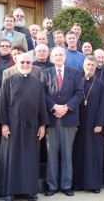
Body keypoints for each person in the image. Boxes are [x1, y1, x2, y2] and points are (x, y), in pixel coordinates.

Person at [0, 53, 49, 201]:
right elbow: (2, 104)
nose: (25, 65)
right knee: (11, 158)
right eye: (22, 62)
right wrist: (4, 124)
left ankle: (29, 191)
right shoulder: (8, 80)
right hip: (13, 125)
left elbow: (42, 106)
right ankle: (10, 191)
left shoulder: (38, 83)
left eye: (28, 62)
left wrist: (43, 125)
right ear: (16, 62)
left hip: (32, 125)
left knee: (30, 159)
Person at [41, 47, 83, 197]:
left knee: (67, 154)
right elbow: (42, 94)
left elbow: (79, 94)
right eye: (55, 55)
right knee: (51, 154)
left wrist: (66, 107)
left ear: (65, 57)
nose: (58, 57)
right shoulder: (45, 73)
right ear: (51, 58)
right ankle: (51, 186)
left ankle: (66, 185)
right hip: (51, 118)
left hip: (68, 118)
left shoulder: (76, 73)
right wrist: (54, 107)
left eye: (60, 55)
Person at [72, 55, 104, 193]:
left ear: (95, 67)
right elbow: (73, 104)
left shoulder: (100, 84)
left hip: (95, 126)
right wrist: (73, 122)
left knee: (94, 155)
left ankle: (94, 184)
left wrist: (100, 124)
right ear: (83, 65)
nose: (89, 67)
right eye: (88, 65)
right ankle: (77, 183)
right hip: (79, 126)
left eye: (92, 66)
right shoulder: (77, 82)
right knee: (78, 154)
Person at [0, 39, 15, 131]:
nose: (4, 47)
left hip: (9, 95)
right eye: (2, 46)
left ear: (10, 48)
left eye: (7, 46)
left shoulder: (15, 62)